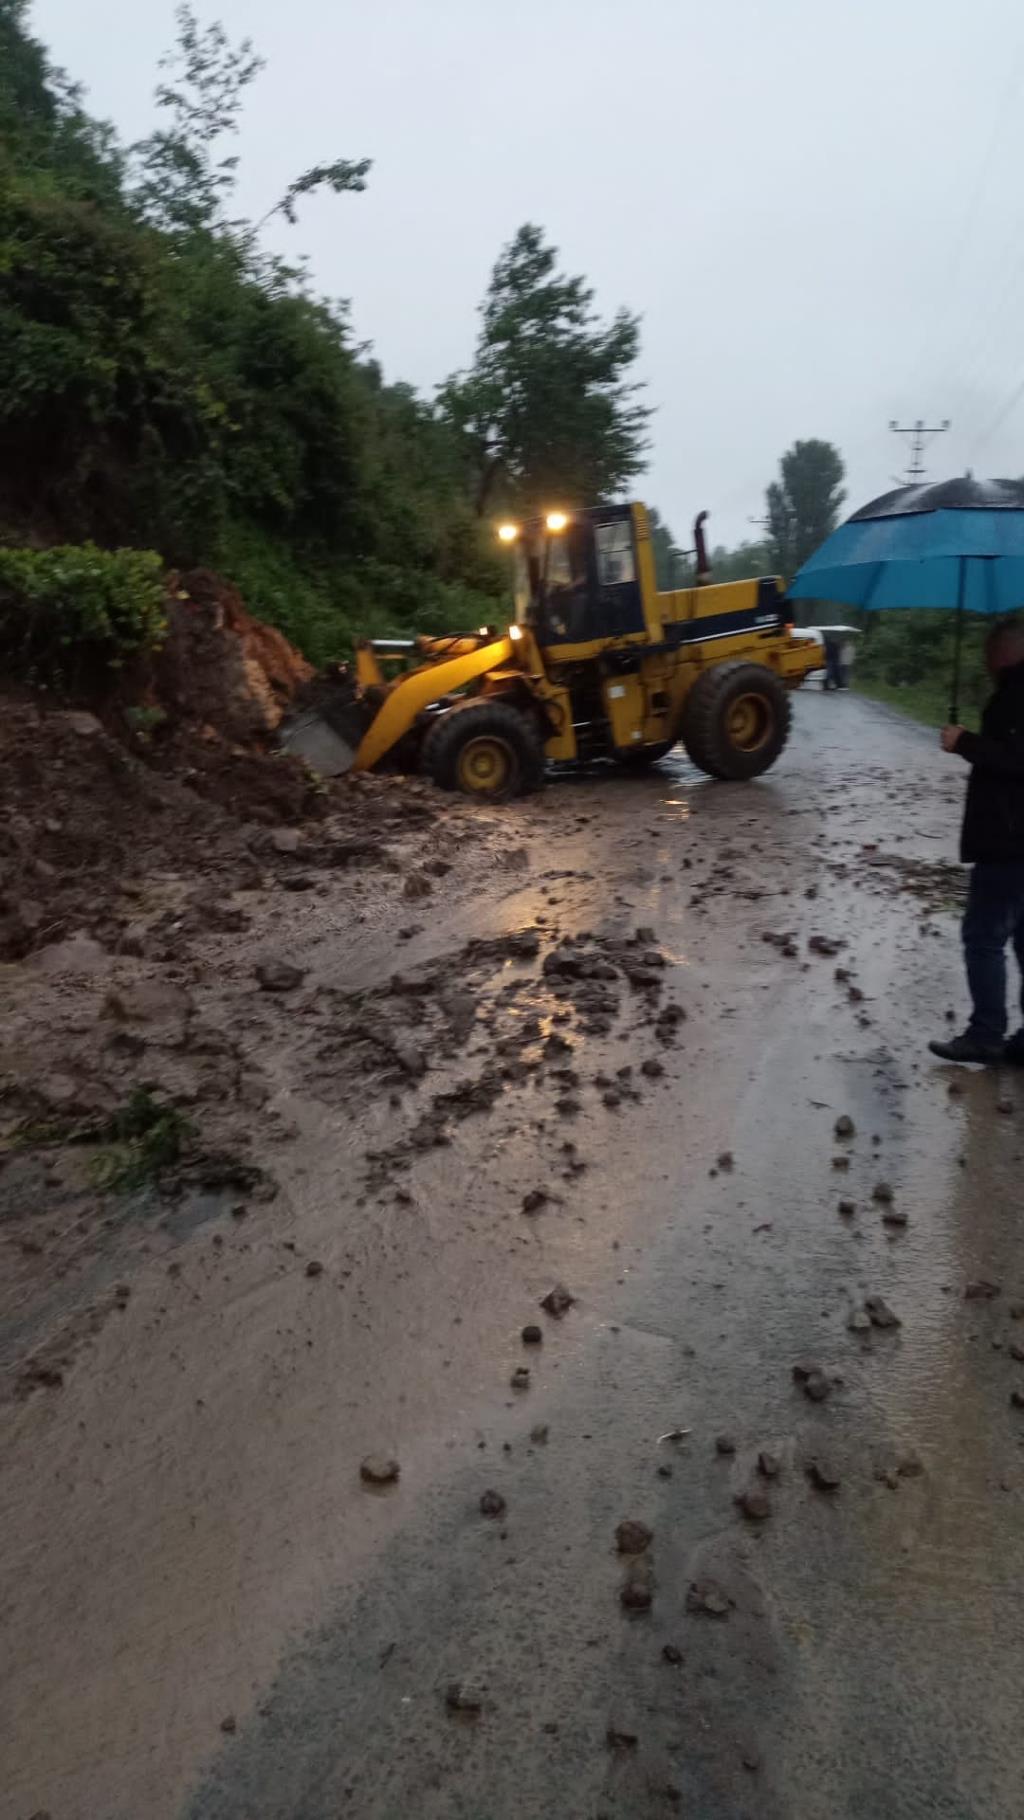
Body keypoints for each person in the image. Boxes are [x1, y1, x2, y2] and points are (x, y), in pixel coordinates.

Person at [929, 618, 1024, 1063]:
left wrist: (965, 741)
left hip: (1009, 840)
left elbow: (1016, 759)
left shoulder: (1015, 694)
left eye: (989, 654)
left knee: (984, 937)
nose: (986, 664)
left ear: (1003, 653)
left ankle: (986, 1034)